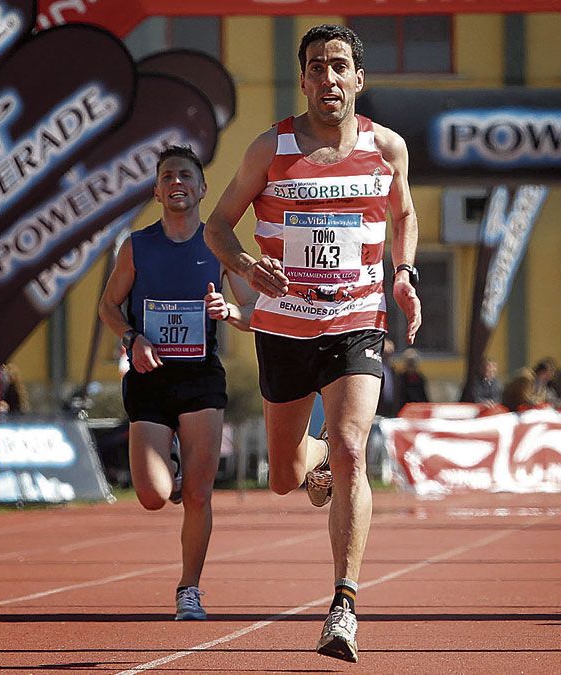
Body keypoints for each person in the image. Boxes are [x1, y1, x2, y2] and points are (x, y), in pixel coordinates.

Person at [202, 24, 422, 663]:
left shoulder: (387, 149)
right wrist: (244, 265)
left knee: (354, 446)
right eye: (316, 68)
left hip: (356, 322)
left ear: (359, 78)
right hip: (284, 327)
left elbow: (403, 214)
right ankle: (313, 454)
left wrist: (403, 276)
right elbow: (218, 226)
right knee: (284, 474)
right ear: (303, 80)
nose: (328, 78)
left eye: (338, 67)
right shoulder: (271, 148)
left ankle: (343, 605)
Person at [98, 146, 256, 623]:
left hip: (201, 378)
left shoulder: (220, 245)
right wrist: (131, 336)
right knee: (150, 495)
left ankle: (190, 588)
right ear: (157, 190)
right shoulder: (137, 246)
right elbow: (108, 306)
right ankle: (173, 469)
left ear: (203, 188)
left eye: (186, 175)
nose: (176, 183)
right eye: (167, 176)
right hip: (149, 377)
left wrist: (228, 311)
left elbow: (255, 312)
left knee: (200, 496)